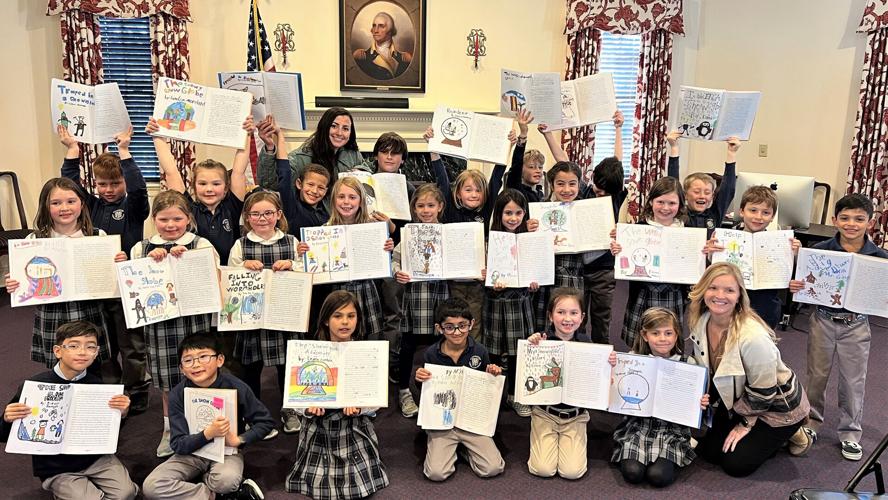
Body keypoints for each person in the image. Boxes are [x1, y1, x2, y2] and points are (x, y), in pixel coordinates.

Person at [58, 124, 152, 413]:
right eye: (102, 184)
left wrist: (125, 153)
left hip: (125, 287)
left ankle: (136, 392)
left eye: (115, 183)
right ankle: (110, 394)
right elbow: (71, 186)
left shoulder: (134, 208)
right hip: (96, 287)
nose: (109, 190)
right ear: (95, 184)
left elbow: (138, 190)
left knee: (131, 345)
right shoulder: (91, 207)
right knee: (104, 345)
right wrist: (72, 153)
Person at [688, 262, 812, 477]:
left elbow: (765, 390)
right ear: (703, 290)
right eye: (713, 287)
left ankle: (794, 432)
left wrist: (745, 424)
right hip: (740, 397)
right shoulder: (702, 319)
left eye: (729, 290)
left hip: (776, 406)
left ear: (739, 296)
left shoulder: (753, 336)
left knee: (735, 465)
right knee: (710, 452)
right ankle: (764, 439)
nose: (720, 295)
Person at [789, 193, 888, 461]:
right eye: (844, 218)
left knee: (853, 380)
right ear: (835, 220)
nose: (851, 224)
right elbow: (802, 283)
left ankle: (851, 432)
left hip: (855, 325)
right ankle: (811, 423)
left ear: (870, 222)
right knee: (816, 376)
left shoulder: (880, 257)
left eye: (859, 219)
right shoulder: (820, 250)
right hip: (822, 320)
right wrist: (796, 284)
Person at [1, 321, 137, 500]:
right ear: (58, 351)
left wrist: (122, 413)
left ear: (96, 353)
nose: (82, 352)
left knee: (127, 493)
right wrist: (7, 419)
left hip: (95, 458)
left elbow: (107, 432)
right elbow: (4, 435)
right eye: (73, 346)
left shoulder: (99, 386)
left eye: (90, 347)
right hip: (57, 467)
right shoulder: (34, 387)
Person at [129, 190, 219, 458]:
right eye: (163, 219)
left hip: (195, 324)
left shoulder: (200, 245)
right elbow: (132, 285)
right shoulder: (141, 248)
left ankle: (205, 426)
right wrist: (149, 262)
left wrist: (188, 261)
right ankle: (170, 430)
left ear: (189, 219)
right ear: (154, 219)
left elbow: (214, 280)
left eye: (177, 219)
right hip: (161, 328)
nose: (170, 225)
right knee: (169, 382)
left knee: (201, 375)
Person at [4, 178, 121, 375]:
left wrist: (118, 264)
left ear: (81, 204)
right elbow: (26, 280)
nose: (64, 208)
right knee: (59, 363)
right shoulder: (34, 241)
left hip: (89, 309)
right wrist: (15, 284)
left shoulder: (97, 236)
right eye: (56, 203)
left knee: (92, 360)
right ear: (45, 207)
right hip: (52, 311)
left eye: (70, 201)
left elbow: (109, 278)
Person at [285, 291, 389, 498]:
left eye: (351, 316)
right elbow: (295, 397)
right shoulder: (308, 352)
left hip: (353, 426)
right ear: (325, 320)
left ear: (358, 319)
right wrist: (307, 408)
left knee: (359, 484)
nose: (345, 322)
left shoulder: (366, 352)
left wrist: (360, 407)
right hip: (319, 426)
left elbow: (375, 397)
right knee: (319, 482)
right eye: (337, 316)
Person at [142, 333, 270, 500]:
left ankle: (215, 487)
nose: (196, 365)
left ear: (220, 360)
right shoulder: (177, 395)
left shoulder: (236, 387)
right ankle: (216, 495)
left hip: (226, 451)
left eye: (203, 357)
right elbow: (178, 444)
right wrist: (208, 433)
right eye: (188, 360)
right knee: (152, 486)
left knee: (227, 480)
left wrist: (240, 440)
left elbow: (265, 422)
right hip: (191, 453)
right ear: (181, 368)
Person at [539, 111, 625, 344]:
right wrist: (548, 134)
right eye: (598, 188)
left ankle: (599, 351)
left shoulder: (615, 195)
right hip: (579, 265)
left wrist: (618, 129)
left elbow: (618, 163)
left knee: (602, 315)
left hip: (603, 266)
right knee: (575, 312)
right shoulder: (584, 191)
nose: (600, 194)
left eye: (605, 192)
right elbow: (563, 161)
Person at [228, 190, 307, 434]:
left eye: (268, 213)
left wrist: (292, 264)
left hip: (284, 317)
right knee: (252, 368)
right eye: (256, 214)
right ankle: (256, 413)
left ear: (278, 214)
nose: (262, 218)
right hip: (253, 319)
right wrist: (243, 267)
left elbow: (307, 272)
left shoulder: (291, 242)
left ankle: (289, 409)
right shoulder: (240, 245)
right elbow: (229, 276)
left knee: (287, 366)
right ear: (247, 217)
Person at [425, 125, 514, 342]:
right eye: (468, 189)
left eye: (478, 190)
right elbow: (442, 179)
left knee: (474, 322)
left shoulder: (486, 209)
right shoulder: (449, 210)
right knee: (453, 322)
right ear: (458, 193)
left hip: (476, 281)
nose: (473, 194)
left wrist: (507, 146)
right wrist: (433, 147)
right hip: (453, 281)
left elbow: (496, 178)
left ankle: (474, 360)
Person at [610, 308, 709, 488]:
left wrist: (700, 403)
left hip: (672, 431)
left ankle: (678, 451)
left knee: (658, 477)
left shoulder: (688, 364)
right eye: (655, 333)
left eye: (668, 333)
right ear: (645, 335)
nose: (663, 338)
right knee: (633, 473)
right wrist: (613, 371)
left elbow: (695, 401)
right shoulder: (634, 360)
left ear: (676, 334)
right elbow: (619, 390)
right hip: (638, 427)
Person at [415, 297, 505, 481]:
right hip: (443, 423)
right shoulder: (431, 353)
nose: (457, 332)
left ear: (471, 324)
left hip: (471, 420)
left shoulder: (479, 352)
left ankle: (463, 449)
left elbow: (488, 393)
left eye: (462, 325)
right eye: (449, 327)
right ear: (439, 328)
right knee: (436, 473)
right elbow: (425, 395)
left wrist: (492, 375)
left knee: (492, 468)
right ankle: (451, 447)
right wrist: (420, 379)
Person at [610, 176, 704, 348]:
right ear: (651, 201)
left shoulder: (689, 232)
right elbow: (625, 262)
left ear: (680, 205)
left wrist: (703, 253)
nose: (666, 208)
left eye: (672, 203)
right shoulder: (637, 229)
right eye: (660, 202)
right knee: (640, 343)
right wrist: (617, 250)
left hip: (673, 294)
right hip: (642, 294)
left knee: (668, 342)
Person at [311, 177, 395, 341]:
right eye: (341, 197)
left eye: (352, 197)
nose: (346, 202)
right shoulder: (324, 231)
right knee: (338, 337)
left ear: (361, 201)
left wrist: (386, 249)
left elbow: (382, 263)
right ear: (333, 200)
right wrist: (307, 252)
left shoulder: (373, 229)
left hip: (366, 291)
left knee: (368, 339)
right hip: (336, 291)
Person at [393, 184, 450, 417]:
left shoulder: (448, 233)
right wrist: (398, 272)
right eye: (420, 206)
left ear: (440, 207)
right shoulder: (409, 233)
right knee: (408, 344)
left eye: (430, 205)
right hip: (415, 297)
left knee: (441, 345)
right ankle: (404, 390)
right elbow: (395, 259)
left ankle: (438, 390)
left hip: (439, 295)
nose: (426, 210)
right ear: (414, 209)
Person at [525, 288, 592, 480]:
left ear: (582, 317)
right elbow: (528, 375)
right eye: (560, 312)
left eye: (573, 313)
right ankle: (541, 431)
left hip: (575, 416)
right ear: (550, 316)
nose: (567, 319)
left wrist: (607, 363)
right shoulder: (541, 342)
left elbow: (595, 379)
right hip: (545, 413)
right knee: (543, 469)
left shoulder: (588, 344)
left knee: (572, 472)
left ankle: (572, 435)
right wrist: (530, 346)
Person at [485, 188, 540, 417]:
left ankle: (515, 395)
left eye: (518, 213)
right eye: (508, 213)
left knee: (520, 351)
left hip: (521, 302)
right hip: (497, 303)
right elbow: (484, 275)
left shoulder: (530, 240)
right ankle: (494, 394)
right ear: (499, 214)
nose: (513, 218)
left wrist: (535, 284)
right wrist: (490, 281)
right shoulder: (490, 241)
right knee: (495, 352)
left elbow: (537, 268)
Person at [719, 186, 801, 328]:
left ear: (772, 217)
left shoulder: (782, 243)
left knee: (761, 346)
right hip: (731, 305)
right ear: (741, 211)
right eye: (753, 210)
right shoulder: (724, 239)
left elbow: (792, 278)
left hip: (765, 308)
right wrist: (710, 254)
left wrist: (797, 255)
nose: (758, 217)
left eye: (765, 213)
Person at [256, 108, 369, 208]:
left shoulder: (352, 154)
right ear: (324, 127)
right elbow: (271, 186)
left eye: (345, 128)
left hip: (345, 217)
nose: (339, 133)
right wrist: (270, 148)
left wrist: (361, 171)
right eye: (334, 126)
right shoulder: (300, 157)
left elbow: (368, 172)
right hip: (312, 220)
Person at [533, 161, 585, 332]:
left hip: (572, 275)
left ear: (579, 184)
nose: (566, 190)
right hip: (545, 276)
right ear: (552, 185)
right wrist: (529, 230)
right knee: (544, 323)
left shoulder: (585, 209)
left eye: (572, 184)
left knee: (570, 322)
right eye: (560, 184)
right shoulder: (540, 209)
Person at [666, 131, 739, 236]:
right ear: (685, 194)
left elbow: (728, 190)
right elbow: (673, 184)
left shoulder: (715, 214)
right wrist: (674, 147)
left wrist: (731, 153)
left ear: (712, 196)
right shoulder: (679, 212)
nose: (702, 196)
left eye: (707, 192)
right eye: (696, 192)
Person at [352, 11, 413, 80]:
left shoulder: (405, 58)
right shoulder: (361, 56)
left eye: (381, 26)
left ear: (390, 30)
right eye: (374, 26)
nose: (376, 30)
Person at [505, 109, 545, 203]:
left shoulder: (541, 194)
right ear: (521, 170)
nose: (538, 170)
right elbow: (516, 166)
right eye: (531, 167)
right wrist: (523, 133)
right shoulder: (516, 190)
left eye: (540, 167)